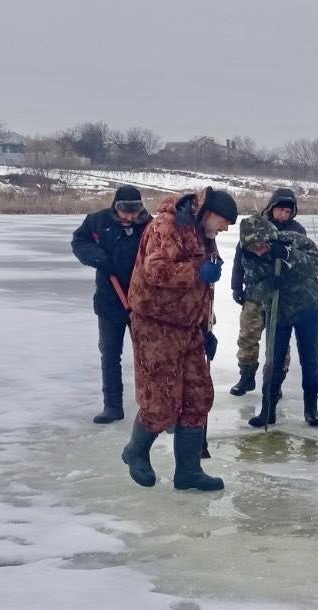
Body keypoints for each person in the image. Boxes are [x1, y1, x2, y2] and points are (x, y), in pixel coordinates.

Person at [122, 188, 236, 492]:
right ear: (207, 212)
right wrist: (199, 270)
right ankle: (136, 450)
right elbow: (156, 271)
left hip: (189, 328)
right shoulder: (166, 226)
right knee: (161, 400)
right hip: (157, 326)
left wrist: (206, 327)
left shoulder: (203, 233)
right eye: (224, 221)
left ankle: (188, 471)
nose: (225, 229)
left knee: (198, 398)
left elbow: (204, 291)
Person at [235, 215, 318, 428]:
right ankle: (268, 409)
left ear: (269, 237)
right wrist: (270, 283)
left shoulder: (295, 240)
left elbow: (316, 266)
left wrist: (288, 256)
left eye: (261, 245)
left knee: (310, 361)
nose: (259, 251)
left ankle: (311, 409)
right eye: (253, 247)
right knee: (273, 361)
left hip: (306, 308)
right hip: (277, 312)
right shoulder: (249, 256)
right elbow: (253, 287)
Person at [71, 185, 151, 424]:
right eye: (125, 211)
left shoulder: (150, 225)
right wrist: (98, 258)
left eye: (134, 211)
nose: (129, 217)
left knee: (149, 356)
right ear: (115, 206)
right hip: (109, 300)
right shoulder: (97, 222)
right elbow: (79, 241)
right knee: (110, 354)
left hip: (143, 302)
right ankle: (112, 406)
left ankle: (153, 407)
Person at [230, 188, 307, 397]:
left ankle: (275, 383)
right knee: (247, 336)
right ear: (271, 208)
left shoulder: (296, 231)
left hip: (281, 296)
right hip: (254, 293)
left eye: (287, 212)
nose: (283, 215)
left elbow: (303, 261)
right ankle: (246, 378)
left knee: (279, 343)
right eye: (280, 210)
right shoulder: (255, 227)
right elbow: (239, 260)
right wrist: (236, 287)